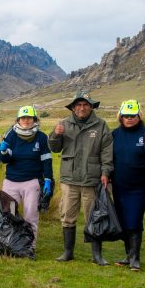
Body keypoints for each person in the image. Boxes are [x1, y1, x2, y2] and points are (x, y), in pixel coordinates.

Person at [48, 90, 113, 265]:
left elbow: (107, 152)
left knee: (94, 217)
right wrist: (56, 134)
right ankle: (68, 252)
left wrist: (106, 172)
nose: (81, 108)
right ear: (73, 108)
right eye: (78, 105)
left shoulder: (101, 125)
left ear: (91, 107)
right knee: (67, 216)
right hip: (69, 180)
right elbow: (54, 148)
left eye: (85, 105)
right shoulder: (64, 124)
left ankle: (97, 255)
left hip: (92, 180)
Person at [110, 100, 145, 271]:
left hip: (139, 185)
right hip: (119, 184)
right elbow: (108, 158)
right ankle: (128, 256)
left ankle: (136, 259)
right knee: (123, 220)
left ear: (139, 116)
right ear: (121, 117)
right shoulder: (114, 134)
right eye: (126, 116)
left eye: (133, 116)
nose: (130, 119)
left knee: (134, 219)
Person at [0, 106, 53, 244]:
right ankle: (8, 244)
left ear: (34, 119)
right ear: (18, 119)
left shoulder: (41, 137)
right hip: (11, 181)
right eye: (23, 118)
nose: (26, 120)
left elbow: (47, 160)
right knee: (8, 213)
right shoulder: (10, 134)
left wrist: (48, 180)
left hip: (31, 182)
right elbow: (5, 160)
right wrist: (3, 152)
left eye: (29, 118)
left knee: (31, 215)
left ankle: (29, 246)